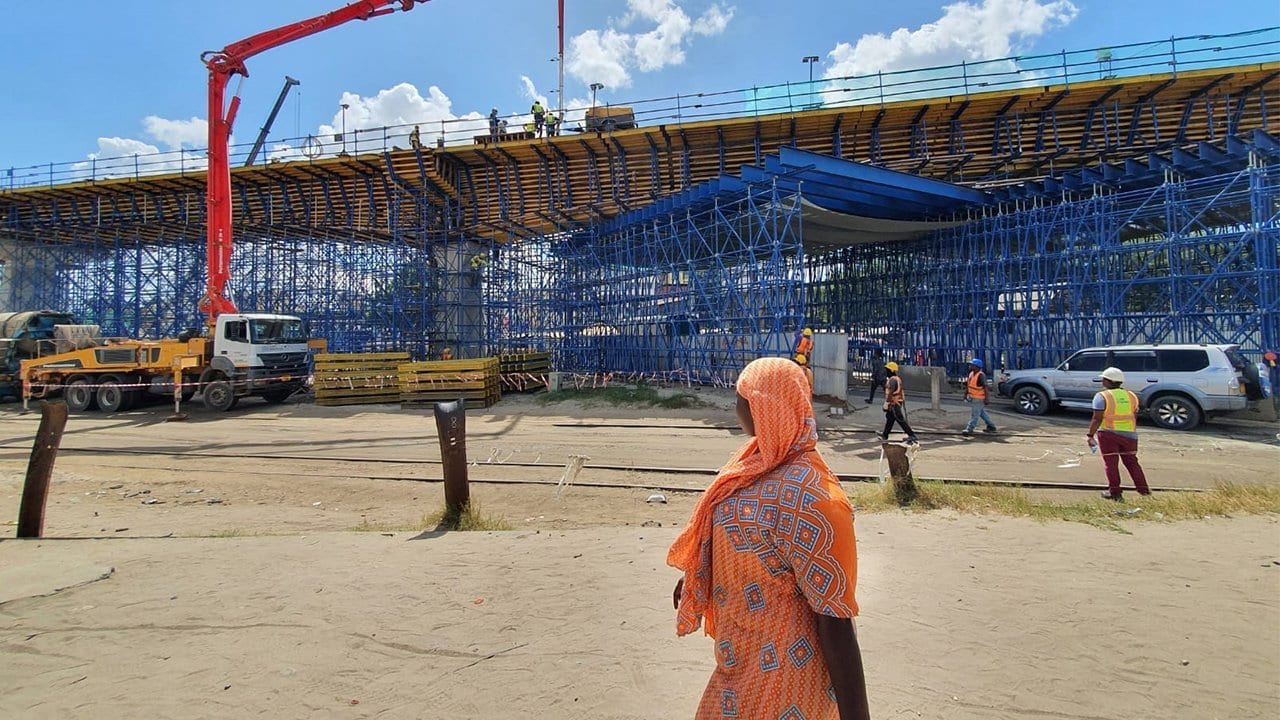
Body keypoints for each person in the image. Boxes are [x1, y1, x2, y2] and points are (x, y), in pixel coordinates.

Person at [668, 357, 871, 720]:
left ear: (764, 405)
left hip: (790, 683)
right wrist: (700, 572)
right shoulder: (755, 464)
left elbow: (835, 618)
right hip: (739, 659)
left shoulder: (816, 498)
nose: (735, 408)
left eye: (740, 399)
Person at [1087, 367, 1151, 501]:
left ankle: (1115, 492)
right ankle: (1144, 491)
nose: (1102, 381)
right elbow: (1134, 415)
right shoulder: (1131, 395)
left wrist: (1090, 435)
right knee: (1132, 463)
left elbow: (1097, 418)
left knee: (1111, 463)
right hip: (1130, 435)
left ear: (1108, 381)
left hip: (1108, 435)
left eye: (1103, 379)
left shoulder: (1102, 396)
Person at [879, 361, 918, 444]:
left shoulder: (893, 380)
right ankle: (885, 435)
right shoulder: (896, 379)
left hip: (894, 404)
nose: (886, 371)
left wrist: (886, 403)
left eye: (887, 370)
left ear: (892, 371)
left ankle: (912, 435)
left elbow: (891, 392)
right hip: (896, 402)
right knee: (890, 419)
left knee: (900, 420)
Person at [961, 358, 997, 435]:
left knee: (975, 414)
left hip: (979, 398)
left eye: (972, 365)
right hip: (973, 397)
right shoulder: (971, 374)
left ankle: (970, 428)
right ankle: (991, 426)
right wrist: (965, 394)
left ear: (976, 366)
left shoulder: (981, 375)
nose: (970, 366)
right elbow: (969, 385)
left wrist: (987, 399)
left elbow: (985, 387)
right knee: (982, 413)